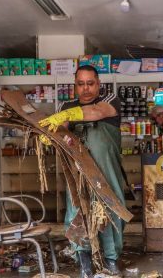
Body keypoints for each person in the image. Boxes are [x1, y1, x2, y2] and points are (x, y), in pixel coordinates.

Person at [39, 65, 125, 277]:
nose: (86, 89)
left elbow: (96, 112)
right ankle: (84, 257)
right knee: (78, 210)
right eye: (81, 84)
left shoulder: (110, 99)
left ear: (99, 84)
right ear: (75, 85)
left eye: (90, 83)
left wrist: (66, 115)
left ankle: (111, 259)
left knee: (111, 208)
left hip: (107, 171)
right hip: (78, 173)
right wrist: (52, 131)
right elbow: (62, 128)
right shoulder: (66, 105)